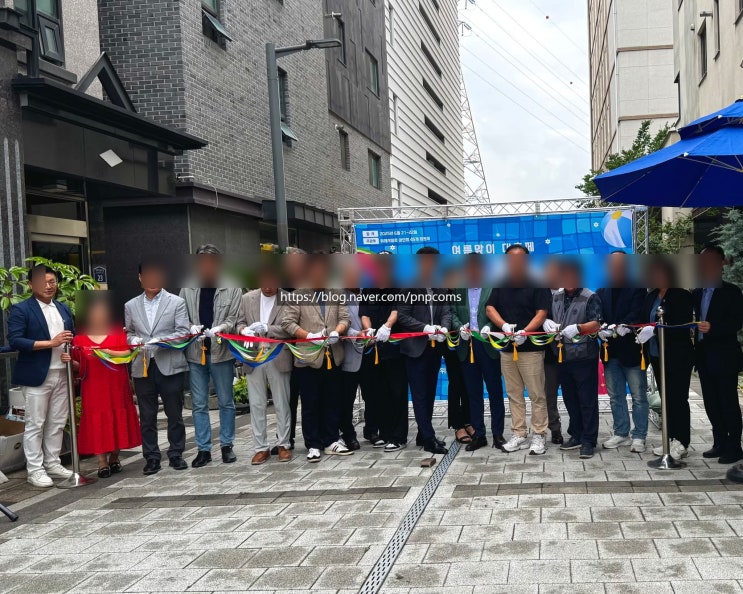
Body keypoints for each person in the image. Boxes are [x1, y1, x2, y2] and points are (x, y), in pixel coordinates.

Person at [7, 265, 74, 488]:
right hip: (36, 375)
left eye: (52, 282)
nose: (48, 286)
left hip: (62, 372)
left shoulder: (63, 308)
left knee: (57, 422)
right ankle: (35, 470)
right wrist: (51, 343)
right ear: (30, 285)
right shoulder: (21, 309)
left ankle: (53, 463)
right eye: (42, 282)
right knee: (35, 424)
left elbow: (72, 337)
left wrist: (68, 353)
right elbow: (16, 340)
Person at [281, 254, 351, 463]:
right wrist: (308, 335)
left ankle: (331, 440)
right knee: (310, 403)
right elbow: (287, 323)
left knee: (332, 400)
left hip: (333, 355)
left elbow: (344, 318)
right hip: (308, 357)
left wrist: (338, 331)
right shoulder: (297, 295)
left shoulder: (336, 292)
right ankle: (313, 444)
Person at [125, 259, 190, 475]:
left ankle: (176, 453)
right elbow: (129, 332)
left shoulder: (176, 302)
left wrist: (160, 341)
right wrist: (133, 340)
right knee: (147, 415)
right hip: (143, 365)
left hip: (169, 362)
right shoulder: (130, 305)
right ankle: (151, 457)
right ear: (140, 278)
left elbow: (183, 332)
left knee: (174, 413)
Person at [484, 244, 551, 456]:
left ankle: (539, 434)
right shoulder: (500, 283)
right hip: (507, 348)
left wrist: (526, 332)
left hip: (530, 348)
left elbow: (542, 313)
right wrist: (503, 326)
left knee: (536, 394)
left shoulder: (538, 283)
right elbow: (489, 308)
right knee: (514, 394)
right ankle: (519, 433)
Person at [180, 245, 241, 468]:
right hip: (196, 353)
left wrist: (221, 328)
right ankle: (203, 449)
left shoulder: (232, 287)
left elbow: (235, 318)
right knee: (198, 403)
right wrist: (191, 327)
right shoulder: (188, 287)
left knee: (225, 401)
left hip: (221, 352)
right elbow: (181, 316)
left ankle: (226, 445)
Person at [70, 292, 141, 478]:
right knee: (97, 422)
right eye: (94, 312)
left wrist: (106, 351)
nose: (98, 316)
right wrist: (68, 361)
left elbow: (127, 354)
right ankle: (101, 462)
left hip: (117, 385)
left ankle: (115, 458)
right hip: (93, 387)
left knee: (117, 419)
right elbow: (77, 365)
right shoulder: (79, 339)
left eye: (102, 312)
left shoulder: (118, 334)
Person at [543, 261, 603, 459]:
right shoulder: (556, 297)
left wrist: (579, 328)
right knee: (570, 399)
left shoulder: (590, 296)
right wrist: (546, 322)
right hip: (562, 356)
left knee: (587, 400)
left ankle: (589, 440)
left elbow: (597, 323)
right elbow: (547, 316)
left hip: (584, 356)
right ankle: (576, 434)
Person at [637, 257, 694, 461]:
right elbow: (644, 319)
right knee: (665, 399)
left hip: (677, 355)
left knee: (678, 398)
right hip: (656, 355)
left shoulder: (682, 295)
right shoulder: (651, 296)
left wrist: (656, 329)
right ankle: (670, 438)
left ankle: (682, 441)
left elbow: (680, 323)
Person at [397, 247, 452, 455]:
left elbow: (446, 311)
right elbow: (402, 316)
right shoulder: (409, 286)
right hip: (415, 348)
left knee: (429, 392)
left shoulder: (440, 287)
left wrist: (443, 328)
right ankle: (429, 438)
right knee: (419, 394)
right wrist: (424, 328)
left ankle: (423, 433)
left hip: (434, 348)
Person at [237, 268, 293, 464]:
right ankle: (261, 447)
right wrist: (243, 330)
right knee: (256, 403)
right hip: (254, 356)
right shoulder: (247, 298)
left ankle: (283, 444)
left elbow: (289, 328)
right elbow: (239, 322)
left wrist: (267, 328)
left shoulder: (288, 299)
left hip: (277, 355)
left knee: (281, 402)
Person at [693, 245, 743, 464]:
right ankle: (719, 442)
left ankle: (734, 447)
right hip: (704, 356)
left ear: (721, 264)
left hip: (724, 357)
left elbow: (736, 322)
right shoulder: (697, 292)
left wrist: (713, 328)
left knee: (728, 402)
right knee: (711, 403)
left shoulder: (732, 292)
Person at [451, 253, 505, 451]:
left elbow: (499, 311)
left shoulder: (493, 287)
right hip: (467, 346)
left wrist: (490, 326)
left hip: (487, 344)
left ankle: (498, 434)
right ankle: (479, 434)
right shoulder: (458, 289)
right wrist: (459, 327)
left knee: (494, 391)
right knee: (473, 393)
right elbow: (453, 312)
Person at [597, 251, 648, 453]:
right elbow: (598, 315)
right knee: (615, 396)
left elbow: (639, 312)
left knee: (638, 396)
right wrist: (601, 327)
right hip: (610, 351)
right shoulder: (602, 290)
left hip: (632, 350)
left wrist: (626, 325)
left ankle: (639, 435)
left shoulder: (637, 287)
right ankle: (621, 432)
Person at [359, 258, 407, 451]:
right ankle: (385, 433)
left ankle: (399, 436)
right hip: (374, 350)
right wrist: (369, 329)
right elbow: (364, 314)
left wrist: (387, 326)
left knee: (398, 392)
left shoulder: (400, 288)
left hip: (395, 351)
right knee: (379, 393)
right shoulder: (368, 290)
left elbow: (397, 310)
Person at [543, 258, 564, 445]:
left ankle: (577, 429)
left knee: (574, 393)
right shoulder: (540, 294)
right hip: (548, 354)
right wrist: (543, 321)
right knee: (549, 394)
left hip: (572, 353)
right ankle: (555, 428)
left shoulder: (572, 293)